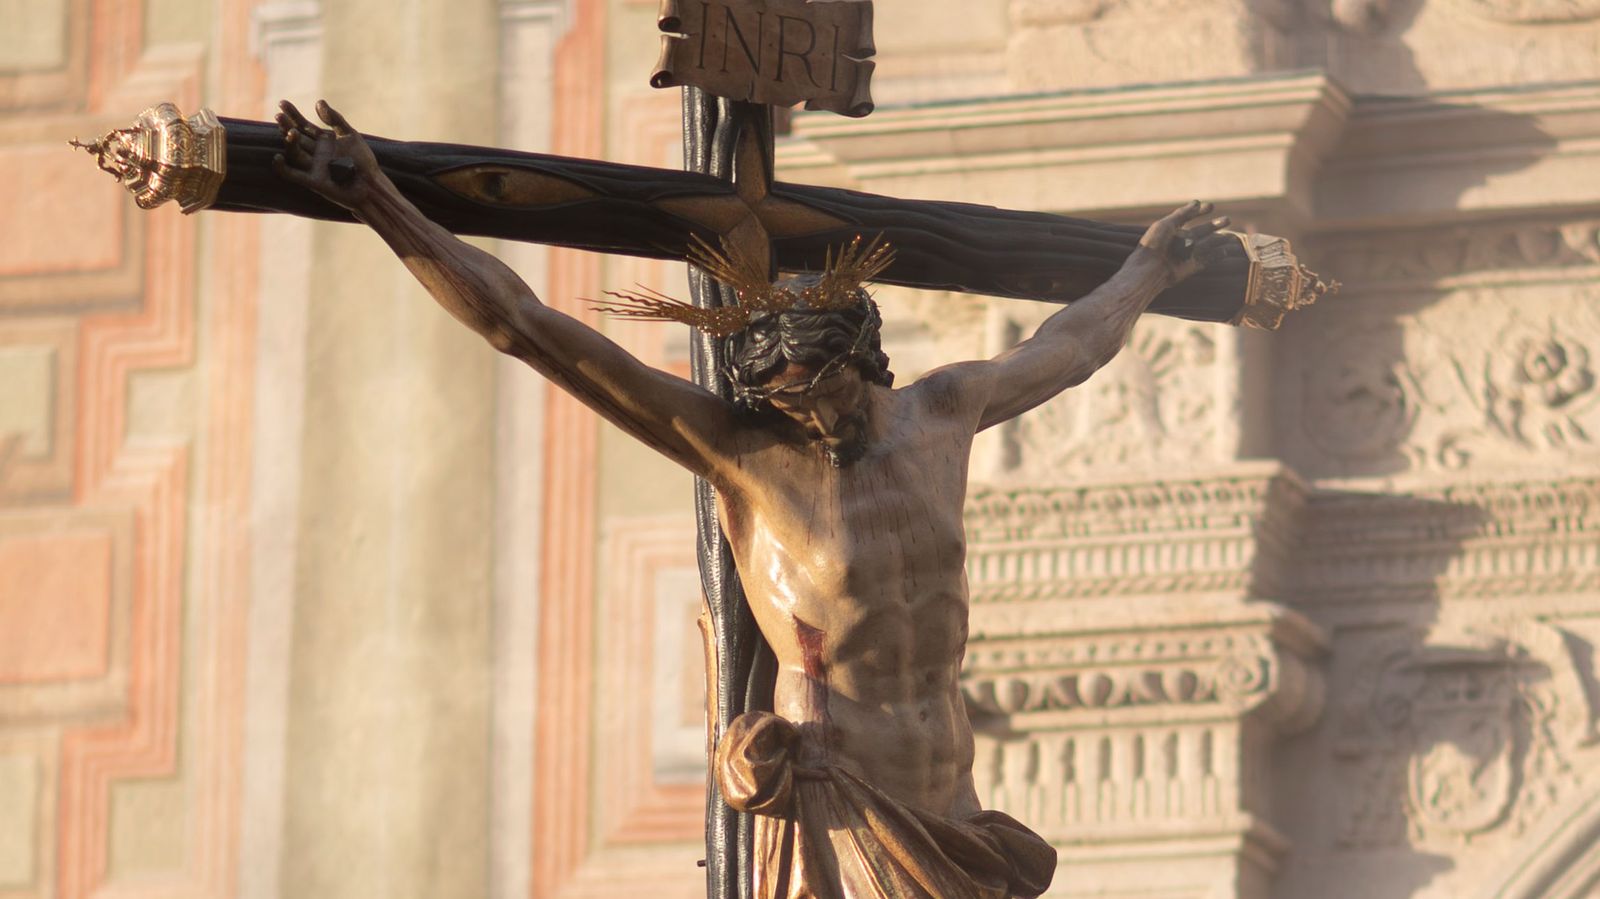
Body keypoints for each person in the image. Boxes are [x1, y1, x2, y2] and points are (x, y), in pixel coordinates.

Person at [273, 99, 1235, 899]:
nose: (813, 414)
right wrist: (381, 202)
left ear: (865, 360)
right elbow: (527, 326)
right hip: (841, 814)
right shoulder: (748, 455)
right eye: (787, 400)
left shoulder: (945, 413)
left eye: (827, 389)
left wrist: (1148, 269)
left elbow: (1069, 348)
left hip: (953, 811)